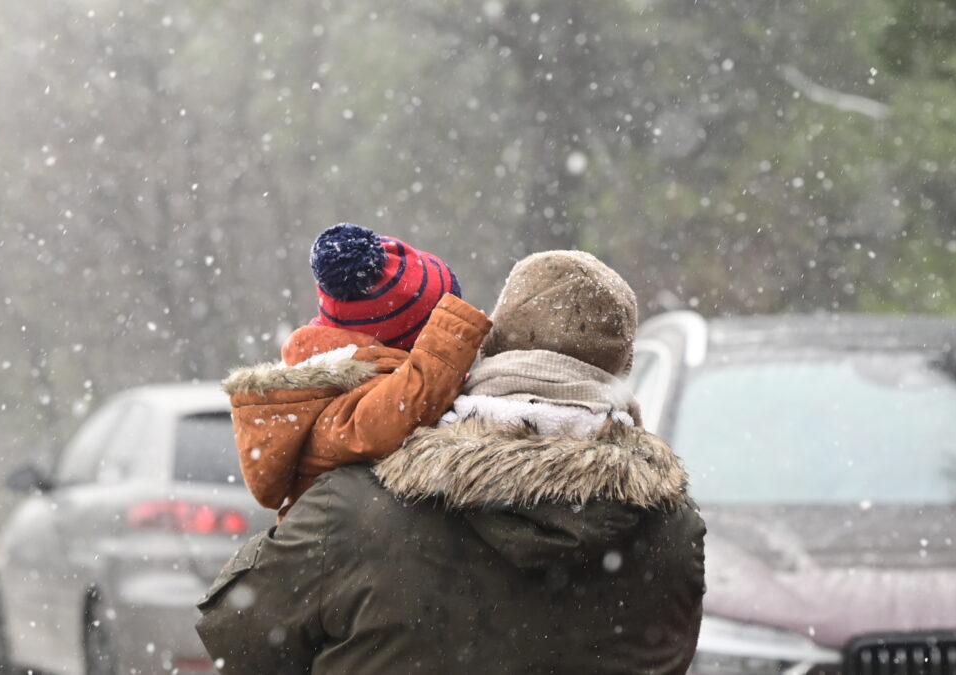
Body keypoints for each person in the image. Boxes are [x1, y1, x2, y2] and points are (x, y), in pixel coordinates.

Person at [198, 250, 706, 674]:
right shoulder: (670, 529)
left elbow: (238, 640)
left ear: (490, 348)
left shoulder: (354, 509)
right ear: (621, 368)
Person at [223, 223, 491, 516]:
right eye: (435, 322)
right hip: (339, 552)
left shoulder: (351, 375)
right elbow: (380, 423)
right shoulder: (342, 395)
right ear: (412, 341)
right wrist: (449, 343)